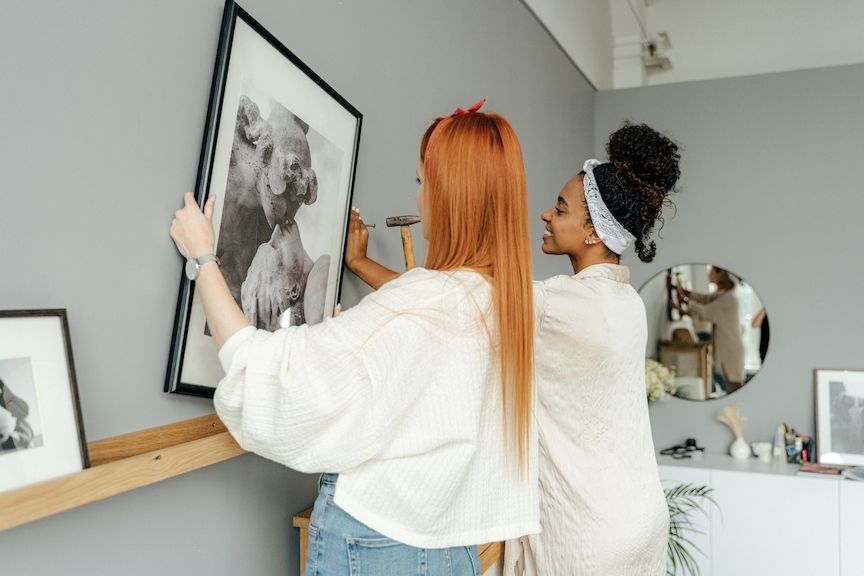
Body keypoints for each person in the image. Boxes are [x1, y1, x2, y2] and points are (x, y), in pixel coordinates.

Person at [169, 102, 539, 575]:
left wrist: (203, 257)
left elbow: (270, 373)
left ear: (452, 198)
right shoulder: (499, 302)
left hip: (381, 550)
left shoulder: (421, 302)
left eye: (423, 184)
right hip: (451, 550)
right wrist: (355, 344)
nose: (420, 200)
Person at [349, 123, 681, 575]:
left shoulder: (557, 306)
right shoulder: (628, 303)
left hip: (590, 535)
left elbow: (451, 296)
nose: (546, 214)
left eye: (560, 209)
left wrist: (359, 262)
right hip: (641, 518)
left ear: (593, 232)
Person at [675, 266, 745, 392]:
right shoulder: (724, 295)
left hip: (730, 350)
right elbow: (705, 299)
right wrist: (683, 293)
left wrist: (682, 301)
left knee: (733, 388)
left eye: (712, 270)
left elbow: (704, 312)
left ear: (721, 274)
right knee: (728, 386)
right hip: (728, 348)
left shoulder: (729, 299)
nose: (709, 273)